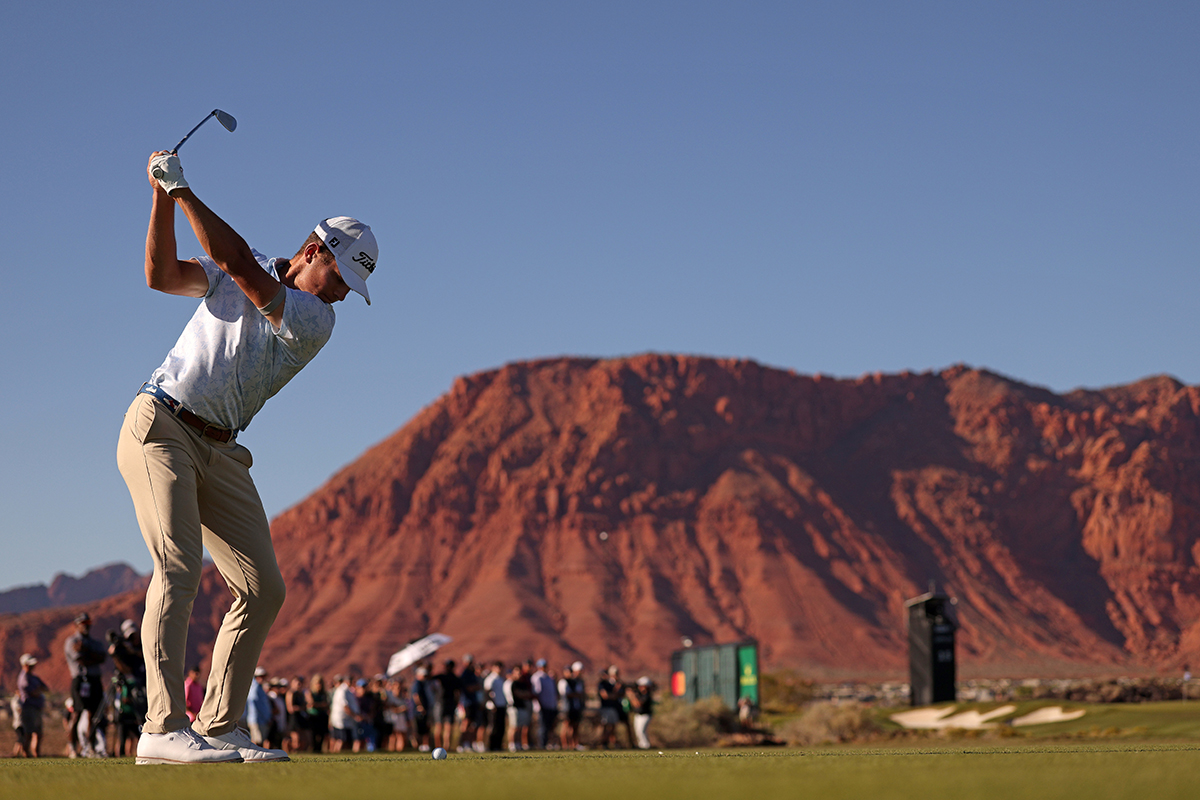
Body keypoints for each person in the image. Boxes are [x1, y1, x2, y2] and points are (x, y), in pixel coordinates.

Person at [117, 150, 378, 765]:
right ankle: (160, 729)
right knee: (178, 567)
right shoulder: (245, 266)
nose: (342, 294)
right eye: (340, 277)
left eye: (350, 287)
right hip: (161, 424)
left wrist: (183, 190)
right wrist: (160, 196)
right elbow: (160, 275)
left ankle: (218, 726)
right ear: (313, 252)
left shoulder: (315, 319)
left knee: (263, 589)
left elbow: (239, 265)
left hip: (222, 451)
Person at [64, 612, 107, 758]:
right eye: (83, 624)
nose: (86, 627)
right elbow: (80, 659)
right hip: (80, 680)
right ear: (77, 625)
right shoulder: (71, 641)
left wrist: (86, 651)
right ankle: (72, 747)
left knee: (93, 715)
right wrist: (91, 656)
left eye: (88, 624)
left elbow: (102, 657)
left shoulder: (94, 642)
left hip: (94, 680)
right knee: (77, 712)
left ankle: (90, 747)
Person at [14, 654, 47, 757]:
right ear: (25, 665)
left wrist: (38, 690)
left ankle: (36, 754)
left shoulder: (34, 677)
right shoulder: (24, 678)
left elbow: (45, 688)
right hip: (28, 708)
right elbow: (33, 692)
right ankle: (26, 754)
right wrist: (38, 690)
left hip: (37, 708)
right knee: (28, 733)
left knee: (38, 733)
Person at [531, 659, 558, 749]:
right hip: (543, 706)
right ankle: (541, 745)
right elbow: (537, 693)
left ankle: (549, 743)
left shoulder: (549, 678)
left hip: (551, 706)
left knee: (550, 726)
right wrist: (540, 705)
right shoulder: (537, 677)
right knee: (543, 727)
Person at [558, 661, 586, 750]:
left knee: (574, 726)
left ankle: (574, 744)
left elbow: (580, 694)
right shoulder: (563, 681)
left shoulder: (574, 682)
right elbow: (567, 694)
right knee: (566, 725)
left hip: (575, 707)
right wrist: (576, 694)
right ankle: (564, 744)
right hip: (566, 707)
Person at [245, 668, 274, 747]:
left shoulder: (259, 687)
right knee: (257, 741)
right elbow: (254, 701)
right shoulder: (255, 687)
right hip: (257, 719)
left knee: (260, 740)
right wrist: (265, 717)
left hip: (261, 719)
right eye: (261, 676)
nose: (263, 679)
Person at [483, 661, 507, 752]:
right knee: (493, 726)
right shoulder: (490, 679)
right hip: (493, 707)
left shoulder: (501, 679)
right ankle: (490, 746)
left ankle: (498, 745)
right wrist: (492, 703)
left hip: (501, 705)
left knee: (501, 727)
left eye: (500, 667)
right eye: (497, 667)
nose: (499, 669)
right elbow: (487, 692)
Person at [628, 677, 654, 749]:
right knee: (638, 731)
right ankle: (641, 745)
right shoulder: (640, 694)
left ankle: (645, 745)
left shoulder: (647, 695)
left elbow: (638, 704)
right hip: (638, 715)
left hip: (645, 715)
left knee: (641, 731)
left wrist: (631, 696)